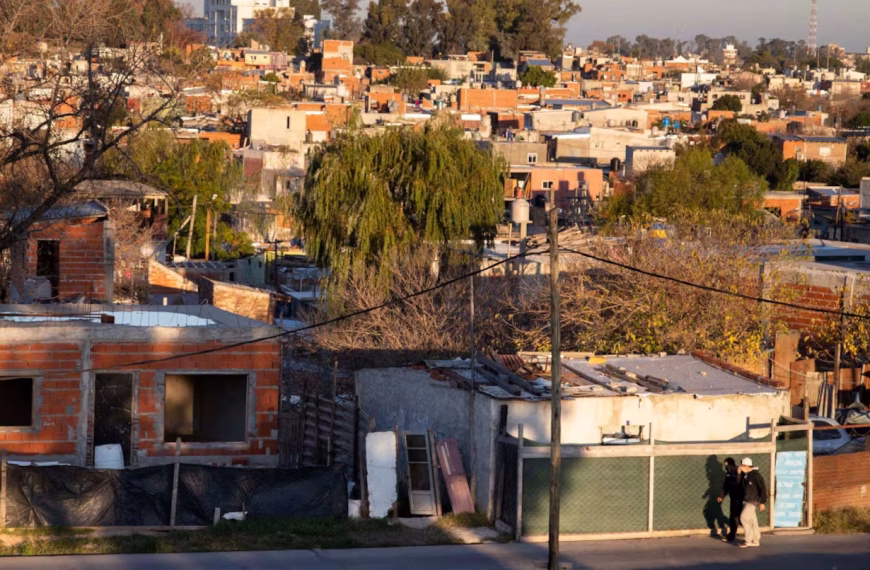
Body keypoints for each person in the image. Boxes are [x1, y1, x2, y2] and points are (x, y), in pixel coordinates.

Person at [737, 457, 768, 548]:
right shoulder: (745, 475)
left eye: (742, 465)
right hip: (746, 500)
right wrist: (739, 474)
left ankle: (748, 540)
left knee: (744, 517)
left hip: (753, 500)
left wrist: (762, 502)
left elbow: (762, 488)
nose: (740, 467)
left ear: (746, 466)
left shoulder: (755, 475)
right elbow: (739, 484)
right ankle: (755, 539)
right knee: (752, 520)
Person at [717, 457, 743, 542]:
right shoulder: (728, 473)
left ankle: (752, 534)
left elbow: (740, 483)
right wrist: (721, 496)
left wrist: (738, 474)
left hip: (741, 498)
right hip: (733, 498)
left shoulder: (738, 471)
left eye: (726, 465)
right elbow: (726, 486)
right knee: (733, 517)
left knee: (743, 517)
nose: (725, 467)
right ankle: (732, 535)